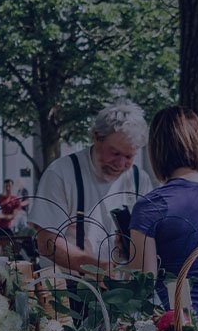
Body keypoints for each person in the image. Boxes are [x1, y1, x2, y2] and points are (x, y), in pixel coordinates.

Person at [129, 106, 198, 315]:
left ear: (157, 149)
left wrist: (125, 254)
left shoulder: (151, 206)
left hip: (173, 327)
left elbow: (143, 284)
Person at [30, 100, 152, 273]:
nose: (120, 163)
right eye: (115, 153)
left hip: (124, 291)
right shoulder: (61, 173)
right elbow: (46, 242)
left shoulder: (140, 180)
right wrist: (96, 268)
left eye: (129, 156)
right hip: (68, 289)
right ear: (96, 137)